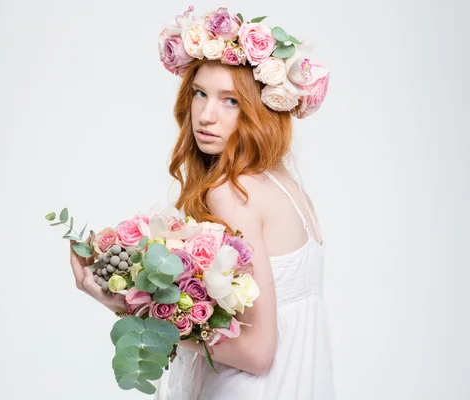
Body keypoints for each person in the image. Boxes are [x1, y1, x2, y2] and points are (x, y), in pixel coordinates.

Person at [70, 6, 334, 400]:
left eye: (230, 101)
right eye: (200, 93)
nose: (206, 116)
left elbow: (258, 353)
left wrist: (129, 306)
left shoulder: (232, 191)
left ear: (261, 109)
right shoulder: (286, 186)